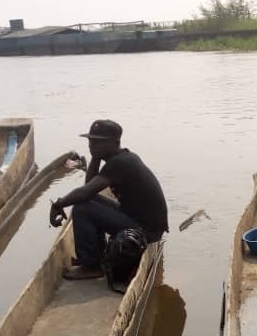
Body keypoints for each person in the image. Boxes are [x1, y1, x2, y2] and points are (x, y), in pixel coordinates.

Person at [50, 119, 169, 280]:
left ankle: (91, 266)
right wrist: (95, 158)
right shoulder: (122, 158)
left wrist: (58, 204)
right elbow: (89, 189)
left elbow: (85, 192)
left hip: (146, 231)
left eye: (97, 142)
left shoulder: (121, 163)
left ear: (115, 142)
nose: (91, 145)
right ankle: (94, 257)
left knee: (82, 208)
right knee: (86, 203)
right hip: (135, 218)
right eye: (90, 141)